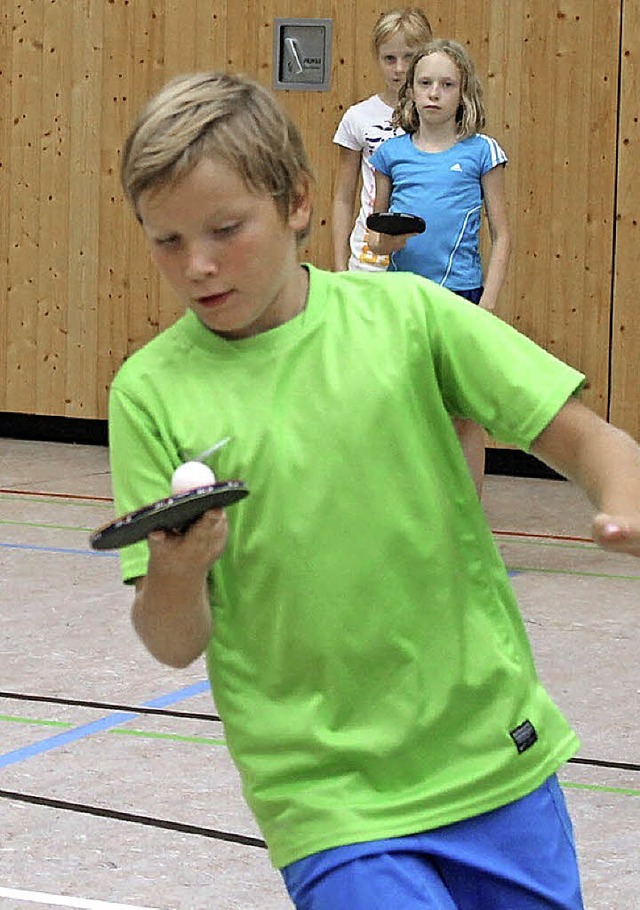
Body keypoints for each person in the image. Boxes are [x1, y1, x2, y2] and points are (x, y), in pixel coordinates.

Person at [110, 70, 640, 910]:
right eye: (166, 241)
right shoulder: (149, 393)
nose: (198, 265)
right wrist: (178, 569)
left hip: (489, 756)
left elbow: (590, 442)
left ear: (296, 203)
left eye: (224, 229)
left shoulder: (409, 319)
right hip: (327, 796)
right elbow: (172, 642)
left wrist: (621, 496)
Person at [369, 38, 511, 496]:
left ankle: (467, 511)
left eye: (446, 84)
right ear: (409, 89)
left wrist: (487, 302)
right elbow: (376, 239)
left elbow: (503, 234)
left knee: (463, 412)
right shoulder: (390, 155)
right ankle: (413, 507)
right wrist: (393, 239)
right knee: (407, 409)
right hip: (405, 301)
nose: (434, 93)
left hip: (462, 298)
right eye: (425, 83)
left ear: (462, 92)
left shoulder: (482, 153)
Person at [332, 8, 433, 272]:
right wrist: (341, 266)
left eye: (408, 58)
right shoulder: (359, 117)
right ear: (377, 58)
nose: (399, 69)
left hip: (426, 255)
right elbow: (344, 196)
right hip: (369, 258)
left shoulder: (441, 117)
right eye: (389, 58)